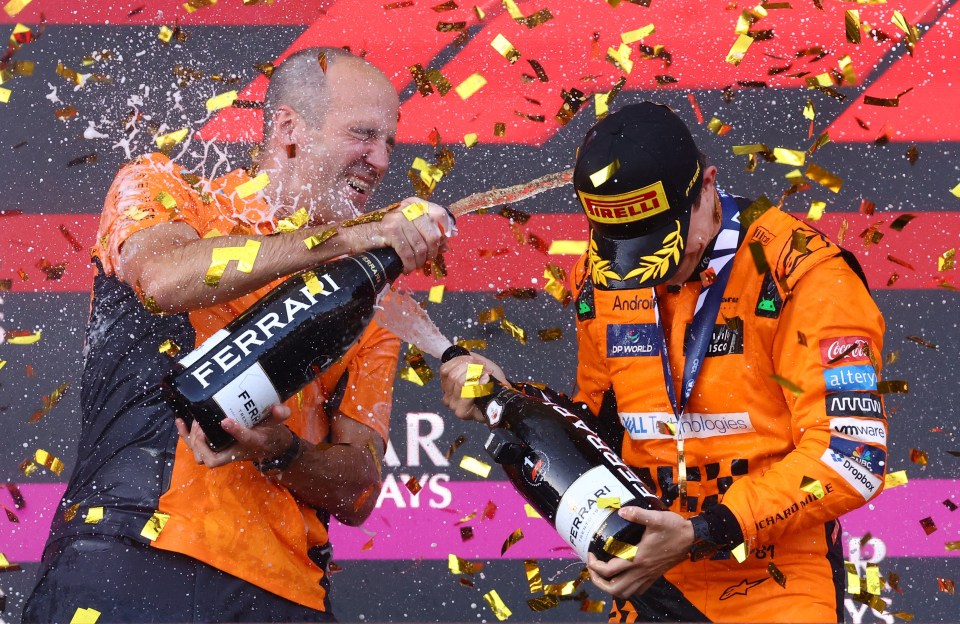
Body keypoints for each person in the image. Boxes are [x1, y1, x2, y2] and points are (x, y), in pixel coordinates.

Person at [23, 47, 452, 622]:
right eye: (362, 135)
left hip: (288, 595)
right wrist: (345, 240)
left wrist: (282, 451)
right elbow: (160, 279)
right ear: (289, 128)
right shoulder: (170, 189)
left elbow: (360, 489)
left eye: (389, 145)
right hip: (133, 553)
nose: (378, 160)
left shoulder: (369, 298)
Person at [440, 102, 887, 623]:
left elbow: (852, 458)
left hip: (777, 586)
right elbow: (599, 429)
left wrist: (702, 531)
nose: (650, 272)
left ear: (708, 187)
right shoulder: (601, 275)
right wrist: (505, 400)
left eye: (668, 249)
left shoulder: (802, 274)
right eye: (626, 252)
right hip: (651, 580)